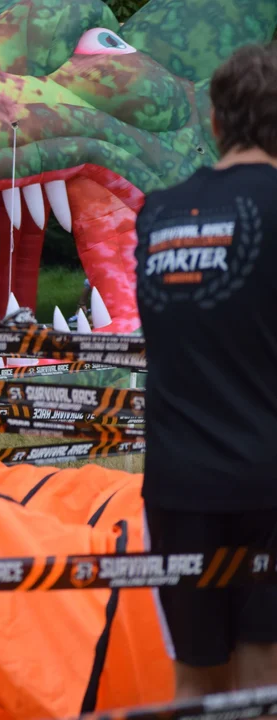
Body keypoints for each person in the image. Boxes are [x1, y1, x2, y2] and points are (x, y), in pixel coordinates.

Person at [134, 43, 277, 701]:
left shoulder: (155, 213)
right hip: (266, 481)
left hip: (175, 485)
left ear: (214, 123)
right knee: (263, 682)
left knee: (193, 679)